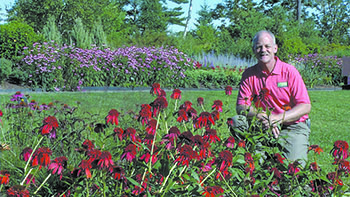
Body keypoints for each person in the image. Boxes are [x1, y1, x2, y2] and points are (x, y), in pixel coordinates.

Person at [232, 30, 311, 165]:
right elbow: (241, 106)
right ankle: (258, 149)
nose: (263, 50)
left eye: (267, 46)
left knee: (293, 170)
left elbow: (305, 106)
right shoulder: (249, 74)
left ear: (275, 48)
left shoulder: (289, 72)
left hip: (292, 125)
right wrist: (262, 116)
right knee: (236, 121)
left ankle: (282, 148)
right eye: (259, 47)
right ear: (254, 50)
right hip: (262, 124)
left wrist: (277, 118)